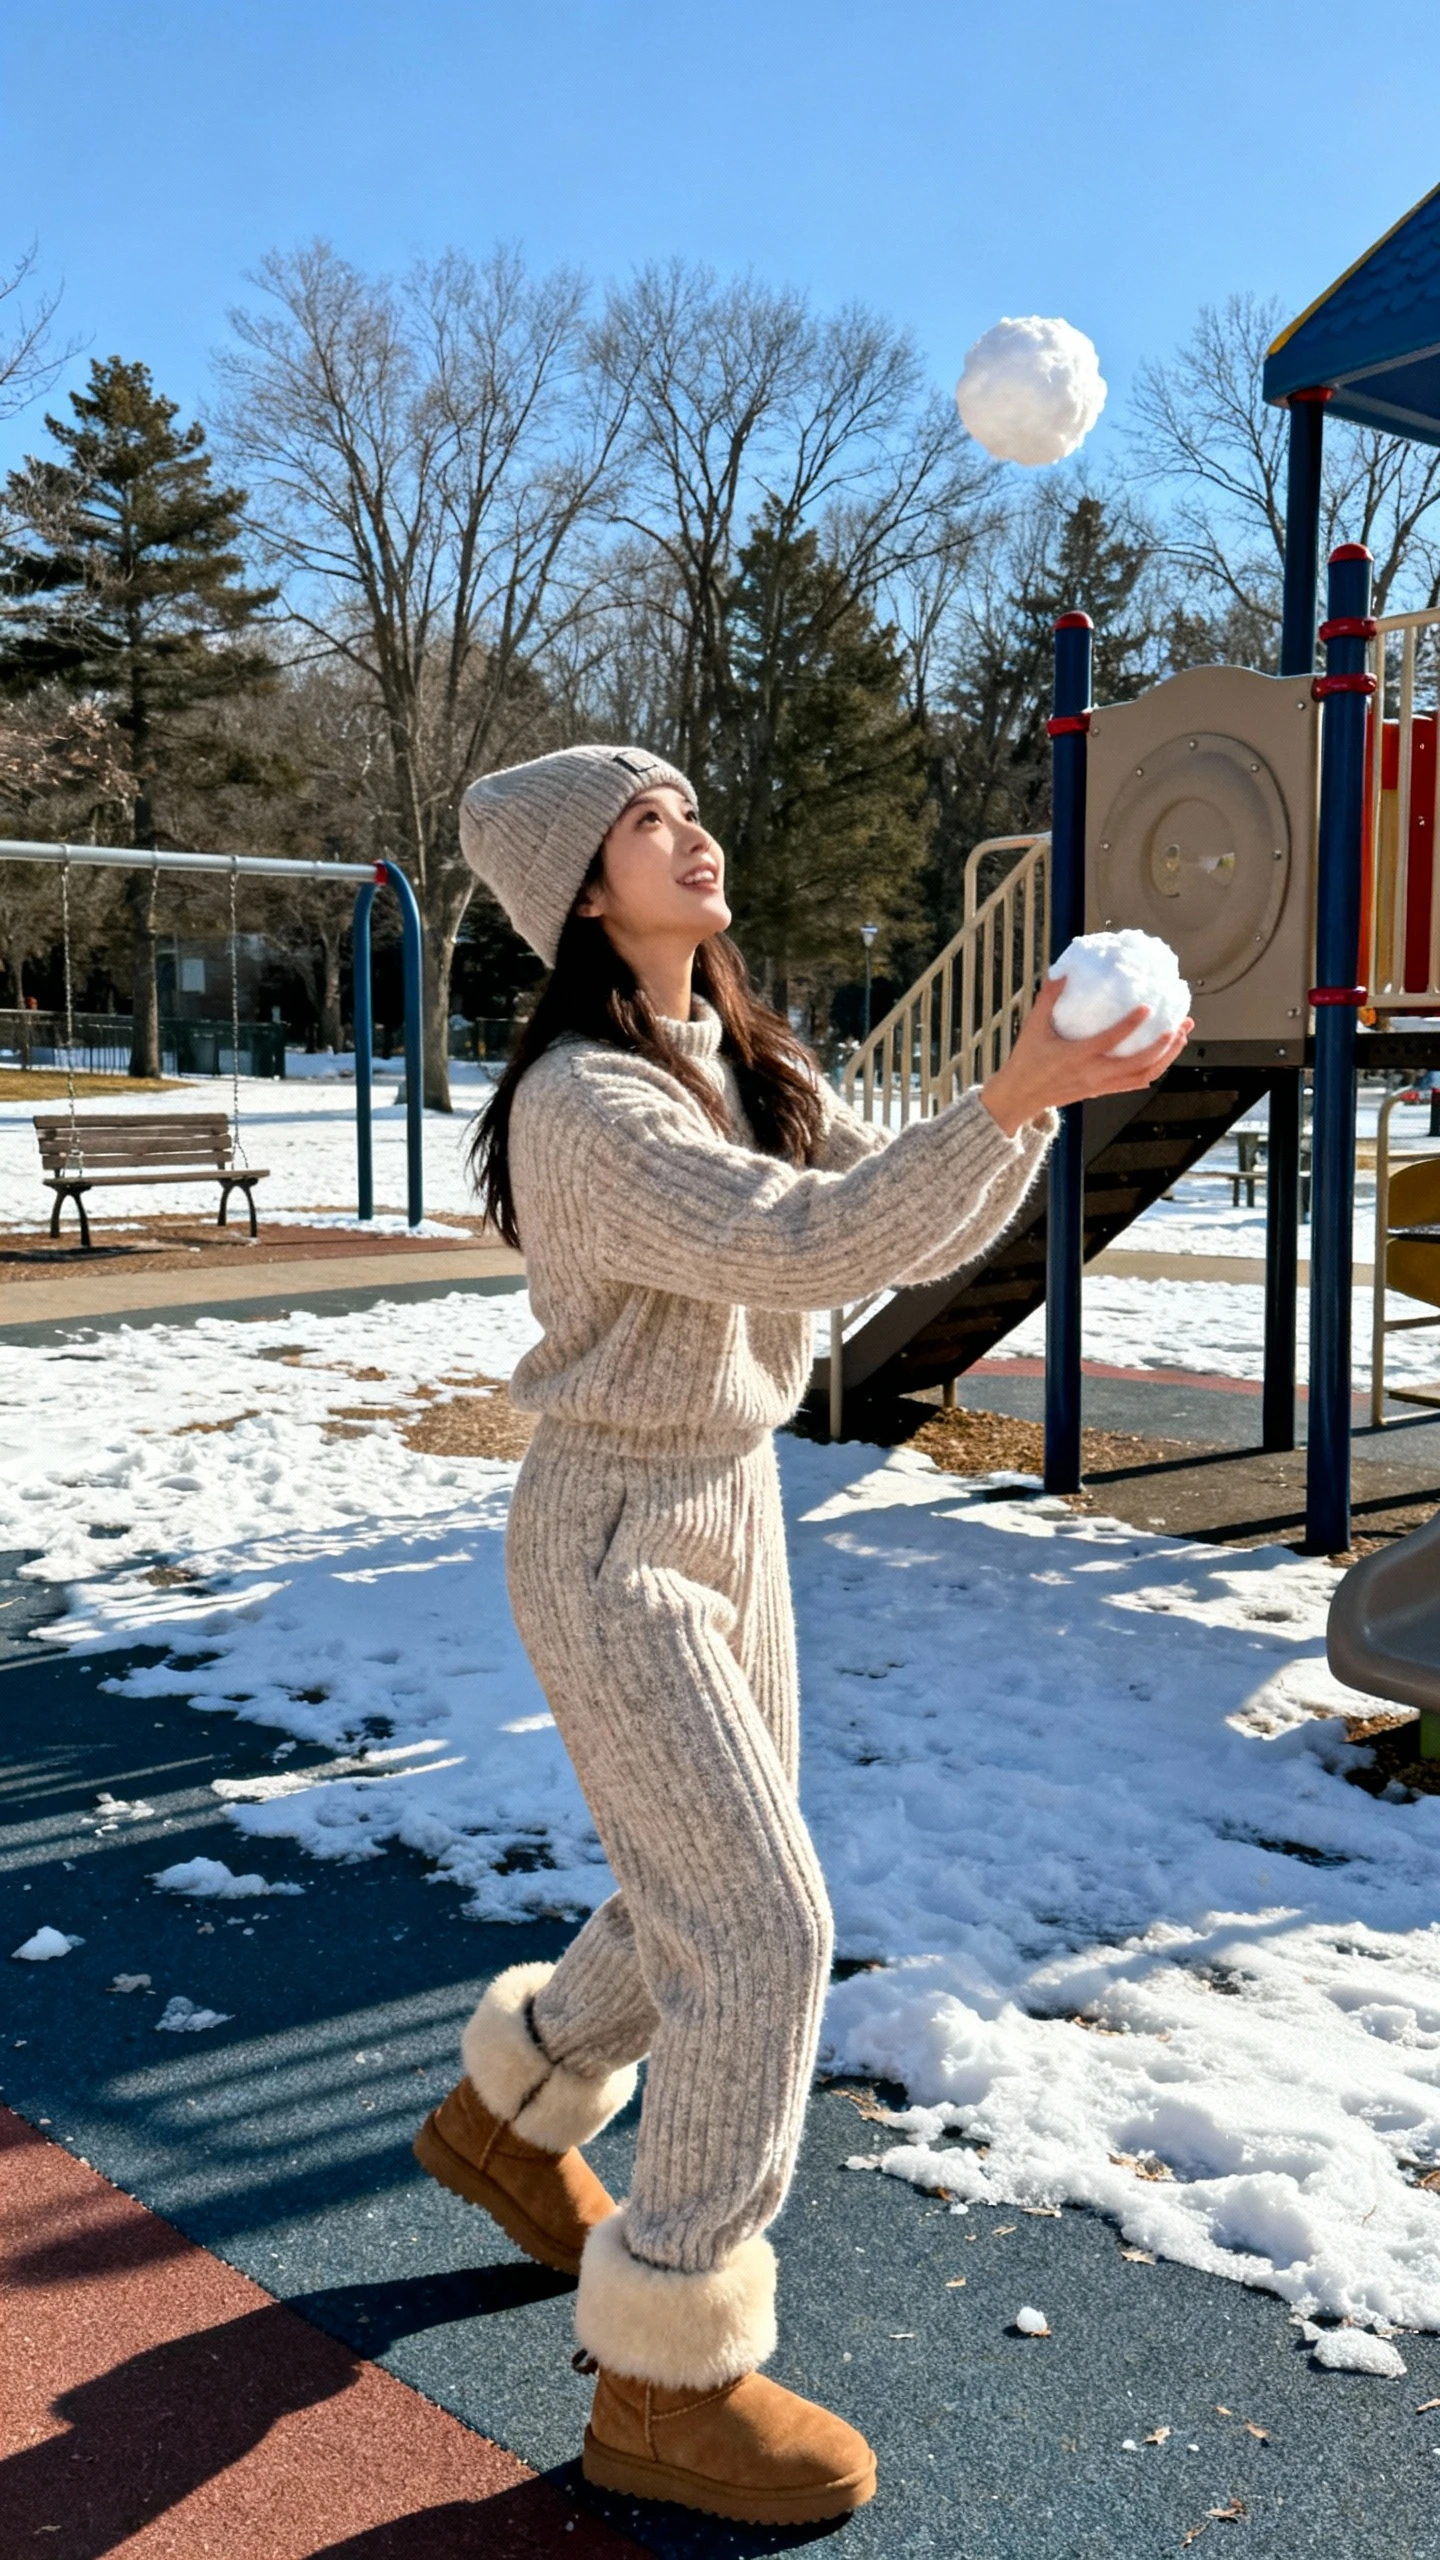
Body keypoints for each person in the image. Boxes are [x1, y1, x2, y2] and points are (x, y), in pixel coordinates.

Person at [411, 745, 1190, 2527]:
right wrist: (1018, 1092)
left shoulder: (734, 1057)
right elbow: (819, 1237)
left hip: (728, 1509)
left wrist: (1037, 1096)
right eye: (643, 822)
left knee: (692, 1878)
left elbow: (886, 1221)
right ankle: (670, 2384)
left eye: (690, 803)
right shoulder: (589, 1103)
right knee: (761, 1929)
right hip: (616, 1531)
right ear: (582, 895)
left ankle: (506, 2116)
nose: (690, 831)